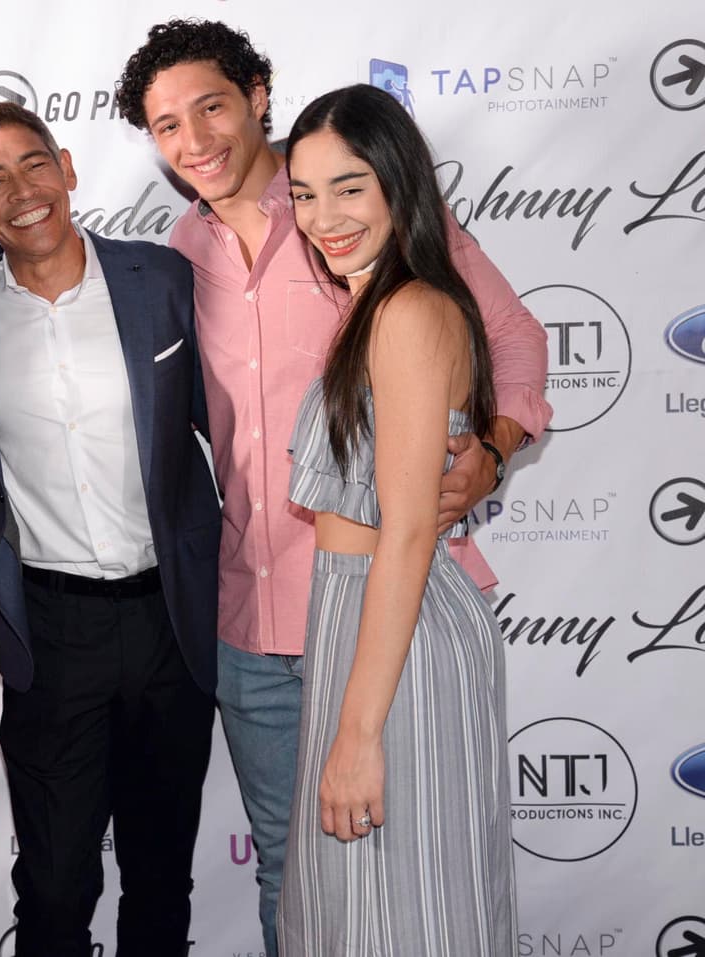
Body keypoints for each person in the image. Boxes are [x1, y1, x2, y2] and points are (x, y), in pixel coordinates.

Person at [116, 19, 549, 956]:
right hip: (253, 615)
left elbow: (512, 338)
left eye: (212, 108)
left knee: (419, 882)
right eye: (166, 126)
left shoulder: (355, 207)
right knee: (296, 876)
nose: (195, 141)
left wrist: (493, 446)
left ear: (258, 95)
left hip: (386, 604)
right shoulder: (172, 261)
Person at [0, 102, 219, 956]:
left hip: (173, 623)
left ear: (67, 166)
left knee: (160, 879)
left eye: (33, 165)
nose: (20, 191)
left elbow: (243, 423)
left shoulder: (165, 281)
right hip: (50, 632)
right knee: (57, 889)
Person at [277, 82, 517, 953]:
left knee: (405, 907)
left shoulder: (411, 311)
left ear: (397, 183)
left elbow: (409, 531)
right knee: (369, 902)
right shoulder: (375, 305)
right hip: (363, 615)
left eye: (348, 186)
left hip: (399, 627)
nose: (322, 216)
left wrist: (358, 732)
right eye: (304, 193)